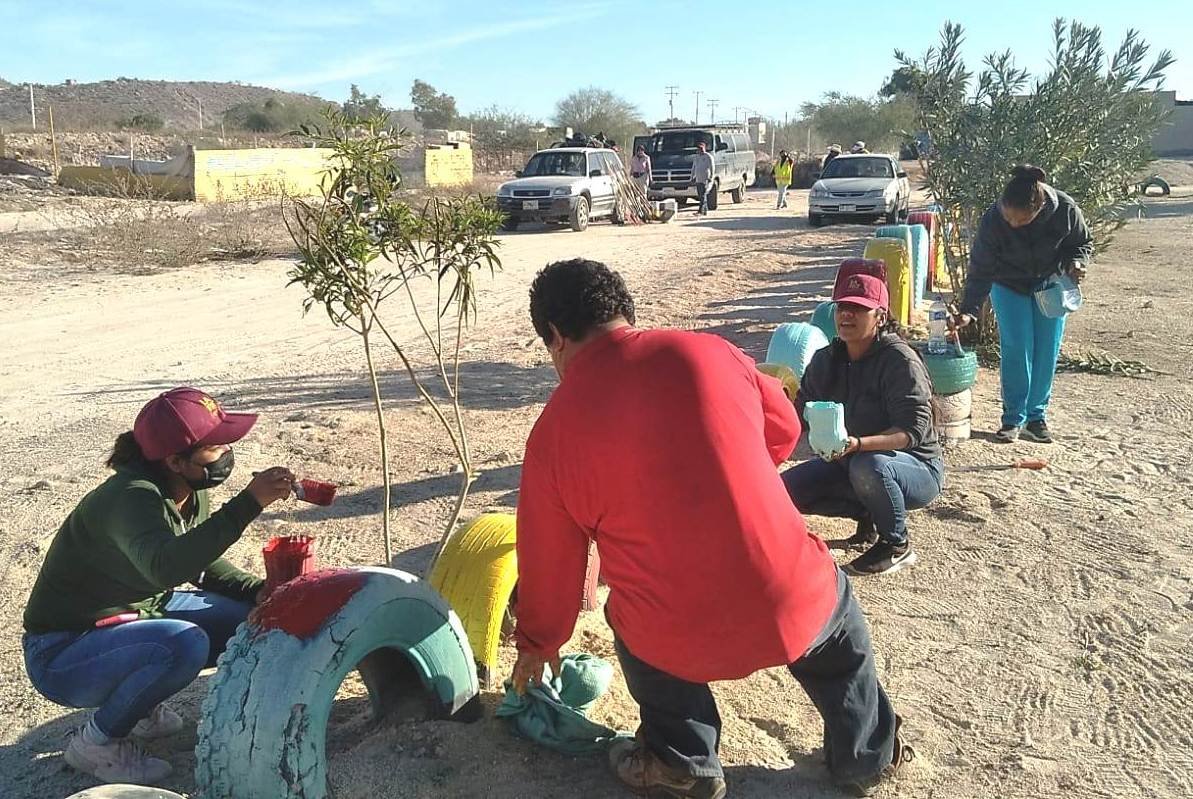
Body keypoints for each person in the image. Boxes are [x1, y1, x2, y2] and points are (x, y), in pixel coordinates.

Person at [511, 259, 912, 798]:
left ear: (557, 337)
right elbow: (783, 429)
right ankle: (866, 755)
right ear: (625, 312)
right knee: (837, 632)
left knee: (627, 616)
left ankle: (683, 761)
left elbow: (551, 562)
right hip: (791, 603)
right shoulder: (708, 351)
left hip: (674, 634)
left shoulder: (552, 434)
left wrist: (540, 641)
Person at [22, 387, 295, 786]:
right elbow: (168, 567)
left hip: (132, 616)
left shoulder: (186, 490)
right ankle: (95, 744)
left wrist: (255, 590)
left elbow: (198, 559)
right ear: (175, 461)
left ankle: (140, 707)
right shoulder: (132, 497)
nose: (227, 454)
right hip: (64, 650)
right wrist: (248, 503)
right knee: (184, 644)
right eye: (215, 447)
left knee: (247, 622)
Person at [782, 274, 943, 577]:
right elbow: (797, 413)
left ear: (880, 317)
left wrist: (857, 444)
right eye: (842, 306)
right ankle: (869, 515)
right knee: (782, 492)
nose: (847, 314)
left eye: (858, 308)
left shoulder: (900, 361)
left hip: (915, 468)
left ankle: (896, 544)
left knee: (869, 466)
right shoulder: (826, 360)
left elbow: (911, 432)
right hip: (850, 460)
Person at [955, 164, 1092, 444]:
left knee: (1046, 351)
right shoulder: (994, 219)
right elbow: (981, 268)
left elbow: (1081, 243)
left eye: (1021, 220)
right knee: (1017, 348)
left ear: (1039, 209)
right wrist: (969, 311)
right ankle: (1012, 418)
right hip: (1008, 285)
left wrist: (1076, 263)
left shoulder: (1065, 209)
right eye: (1008, 217)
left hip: (1050, 285)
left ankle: (1036, 418)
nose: (1012, 224)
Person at [691, 140, 716, 215]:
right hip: (698, 179)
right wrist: (692, 177)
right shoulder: (696, 157)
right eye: (699, 148)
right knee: (700, 195)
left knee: (703, 195)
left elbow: (712, 168)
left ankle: (700, 211)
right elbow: (693, 168)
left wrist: (711, 177)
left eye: (701, 148)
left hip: (705, 178)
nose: (700, 150)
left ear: (704, 148)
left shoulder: (708, 156)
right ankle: (705, 210)